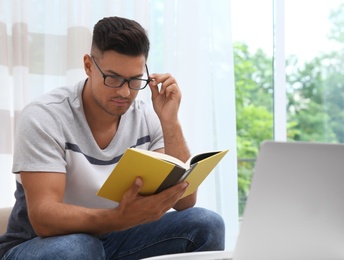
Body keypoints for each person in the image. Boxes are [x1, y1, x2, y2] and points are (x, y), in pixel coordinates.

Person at [0, 16, 225, 259]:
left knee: (206, 223)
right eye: (113, 78)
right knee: (79, 248)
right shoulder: (45, 116)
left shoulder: (147, 117)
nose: (125, 92)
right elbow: (44, 219)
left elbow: (184, 201)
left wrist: (170, 121)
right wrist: (118, 218)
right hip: (40, 244)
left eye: (134, 80)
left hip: (115, 237)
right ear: (88, 66)